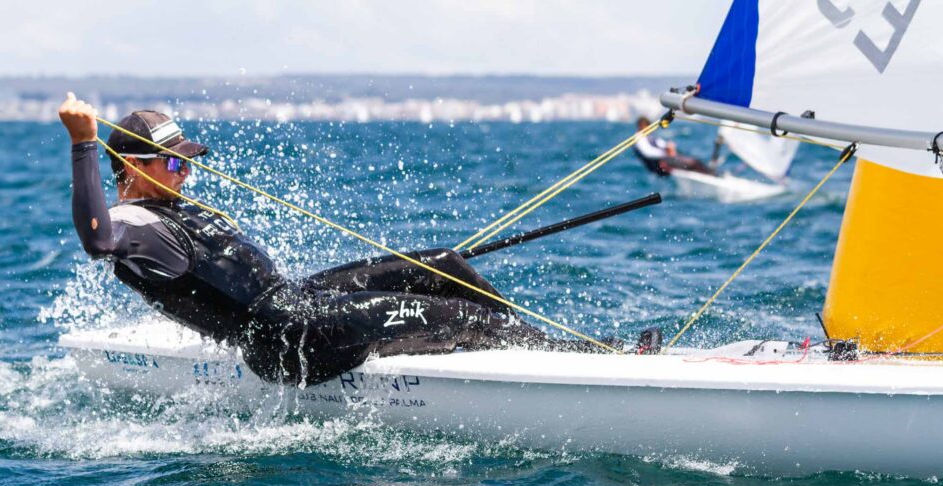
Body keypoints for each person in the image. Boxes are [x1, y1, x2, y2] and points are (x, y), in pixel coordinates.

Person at [58, 93, 619, 386]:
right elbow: (97, 239)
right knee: (460, 317)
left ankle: (537, 348)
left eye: (187, 162)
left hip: (294, 303)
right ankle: (578, 361)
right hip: (286, 339)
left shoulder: (167, 205)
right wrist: (84, 143)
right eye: (175, 163)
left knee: (441, 265)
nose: (186, 173)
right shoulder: (135, 224)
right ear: (134, 166)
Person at [632, 116, 715, 177]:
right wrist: (666, 152)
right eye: (645, 126)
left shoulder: (650, 136)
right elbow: (648, 152)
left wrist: (669, 147)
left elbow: (661, 144)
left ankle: (712, 174)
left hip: (665, 159)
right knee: (693, 162)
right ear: (640, 126)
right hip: (659, 164)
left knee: (695, 161)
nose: (647, 128)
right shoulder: (639, 138)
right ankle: (711, 175)